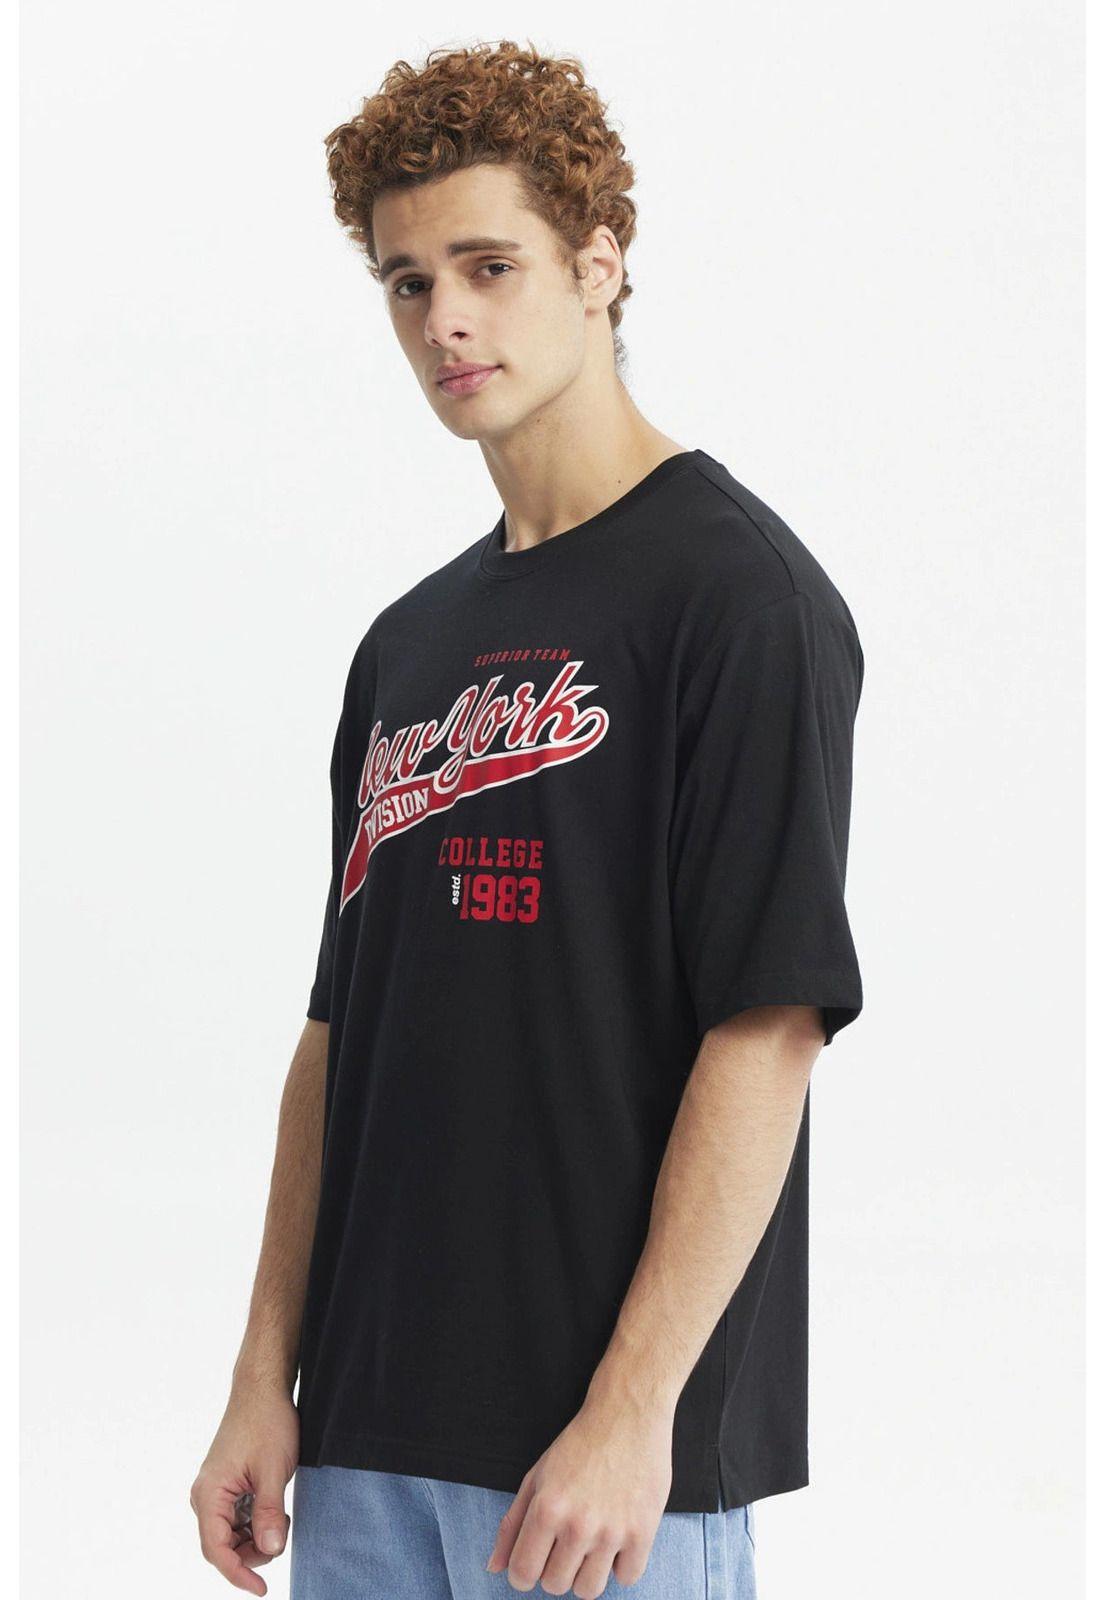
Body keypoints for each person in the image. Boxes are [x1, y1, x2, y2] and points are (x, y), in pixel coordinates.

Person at [189, 38, 865, 1600]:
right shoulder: (407, 646)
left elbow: (769, 1028)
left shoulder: (741, 600)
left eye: (488, 266)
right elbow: (338, 1034)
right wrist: (263, 1379)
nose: (446, 319)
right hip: (364, 1444)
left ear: (599, 264)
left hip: (597, 1477)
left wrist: (634, 1414)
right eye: (408, 281)